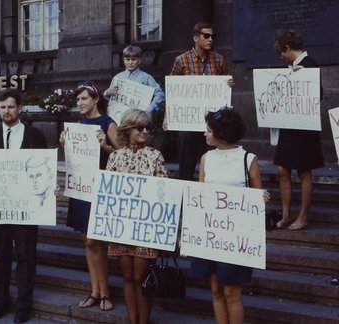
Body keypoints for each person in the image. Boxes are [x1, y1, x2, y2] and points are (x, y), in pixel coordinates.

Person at [189, 107, 268, 324]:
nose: (204, 133)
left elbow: (256, 195)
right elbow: (201, 195)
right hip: (212, 232)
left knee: (232, 294)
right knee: (215, 290)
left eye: (208, 130)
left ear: (221, 132)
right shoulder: (206, 158)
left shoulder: (247, 159)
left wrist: (261, 198)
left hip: (236, 236)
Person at [0, 88, 47, 323]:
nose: (6, 111)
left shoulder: (35, 135)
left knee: (25, 255)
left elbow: (43, 168)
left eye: (10, 106)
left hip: (25, 207)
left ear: (20, 108)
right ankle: (0, 301)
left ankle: (23, 304)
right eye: (2, 107)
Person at [59, 81, 119, 311]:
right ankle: (94, 291)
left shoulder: (108, 123)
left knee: (96, 241)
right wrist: (65, 144)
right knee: (86, 241)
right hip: (81, 188)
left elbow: (122, 156)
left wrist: (105, 146)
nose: (80, 103)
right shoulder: (79, 124)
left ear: (96, 99)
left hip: (100, 188)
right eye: (78, 100)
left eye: (84, 99)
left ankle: (105, 292)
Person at [105, 109, 166, 324]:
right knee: (128, 277)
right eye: (140, 127)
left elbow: (164, 194)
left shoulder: (155, 156)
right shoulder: (115, 157)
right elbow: (108, 192)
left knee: (141, 277)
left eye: (148, 127)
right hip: (122, 227)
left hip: (146, 228)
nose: (145, 131)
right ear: (128, 129)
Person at [272, 29, 324, 230]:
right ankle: (286, 215)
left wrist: (301, 76)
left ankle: (302, 217)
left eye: (281, 52)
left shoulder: (310, 63)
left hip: (305, 127)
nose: (281, 57)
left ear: (287, 48)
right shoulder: (290, 67)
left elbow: (317, 94)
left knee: (304, 171)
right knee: (282, 168)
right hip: (289, 124)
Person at [168, 22, 234, 180]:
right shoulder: (182, 60)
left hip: (211, 121)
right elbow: (172, 90)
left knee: (213, 160)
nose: (210, 39)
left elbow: (224, 83)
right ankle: (185, 192)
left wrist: (229, 83)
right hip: (188, 120)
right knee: (186, 161)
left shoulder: (219, 60)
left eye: (213, 36)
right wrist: (167, 116)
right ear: (196, 38)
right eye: (206, 36)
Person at [104, 44, 165, 114]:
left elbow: (160, 94)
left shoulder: (146, 78)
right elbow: (111, 101)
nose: (130, 62)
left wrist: (149, 109)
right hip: (120, 117)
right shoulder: (117, 78)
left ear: (139, 60)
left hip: (139, 118)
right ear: (123, 60)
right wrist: (107, 93)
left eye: (133, 59)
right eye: (127, 59)